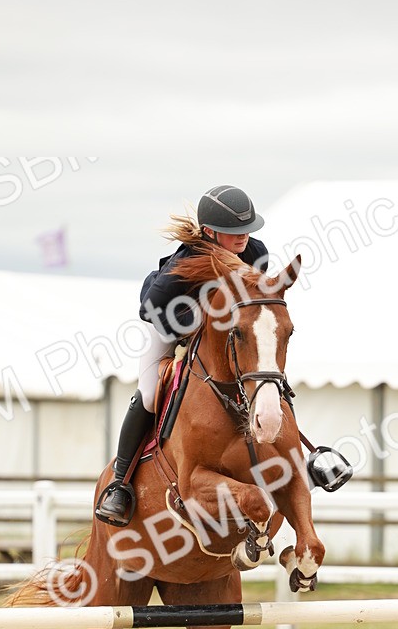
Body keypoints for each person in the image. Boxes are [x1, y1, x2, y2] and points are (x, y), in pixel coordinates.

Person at [94, 184, 269, 526]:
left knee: (265, 377)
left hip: (224, 337)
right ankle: (119, 484)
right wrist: (195, 326)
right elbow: (151, 310)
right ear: (208, 232)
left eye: (246, 229)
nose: (243, 237)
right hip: (169, 327)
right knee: (148, 393)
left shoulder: (255, 252)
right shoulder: (183, 264)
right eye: (233, 232)